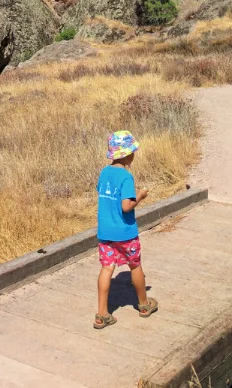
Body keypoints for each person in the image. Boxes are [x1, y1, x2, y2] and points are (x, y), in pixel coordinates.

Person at [94, 130, 158, 329]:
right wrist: (140, 196)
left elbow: (103, 193)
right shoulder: (126, 177)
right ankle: (144, 305)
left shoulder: (105, 172)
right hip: (125, 233)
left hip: (105, 233)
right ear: (127, 154)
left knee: (107, 268)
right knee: (135, 265)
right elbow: (126, 206)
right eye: (133, 151)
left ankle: (102, 314)